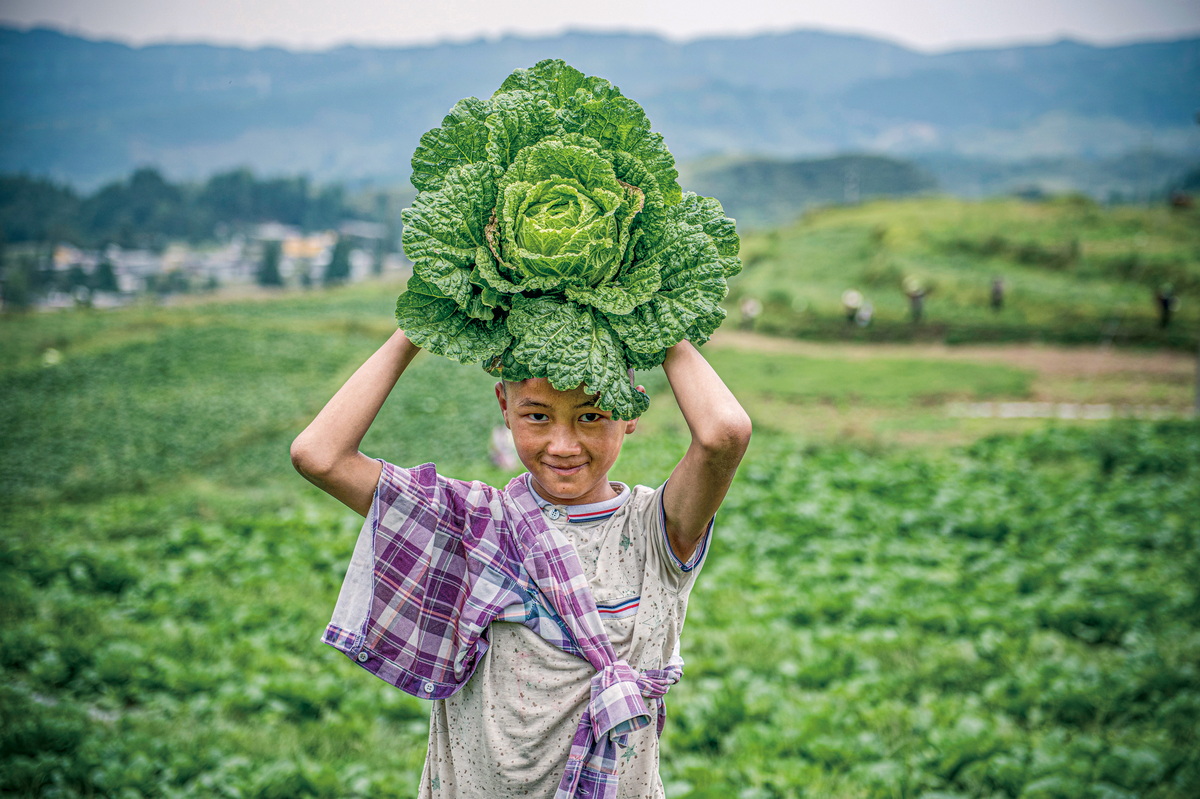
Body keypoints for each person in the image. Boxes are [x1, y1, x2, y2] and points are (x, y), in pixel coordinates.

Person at [290, 329, 751, 798]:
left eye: (591, 415)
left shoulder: (656, 530)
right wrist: (416, 332)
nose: (563, 445)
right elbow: (320, 457)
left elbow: (724, 435)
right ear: (504, 407)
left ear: (630, 410)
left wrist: (656, 327)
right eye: (537, 416)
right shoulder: (472, 523)